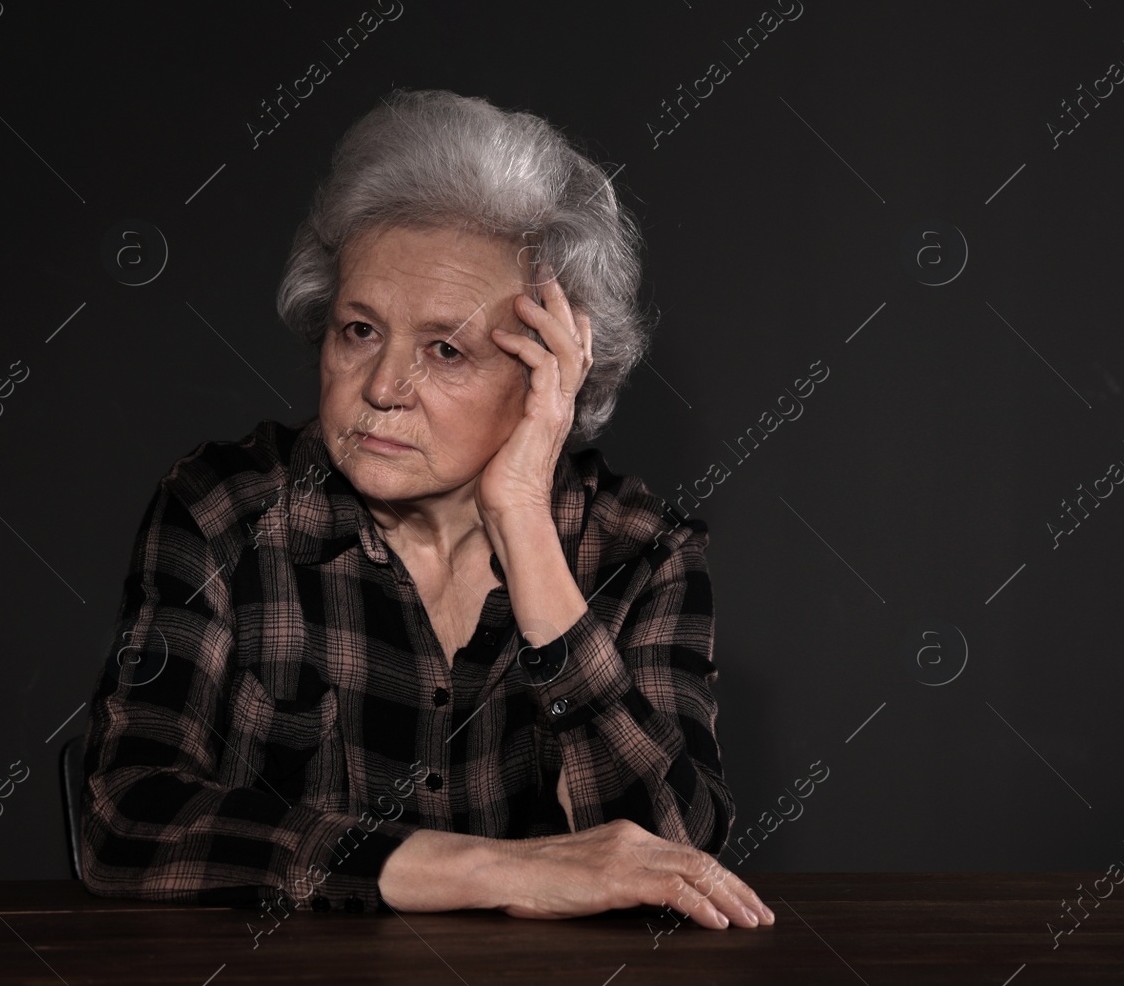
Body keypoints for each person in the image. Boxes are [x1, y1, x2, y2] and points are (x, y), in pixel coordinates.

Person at [80, 88, 772, 931]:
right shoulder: (223, 511)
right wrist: (493, 870)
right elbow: (125, 817)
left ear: (550, 370)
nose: (380, 388)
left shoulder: (642, 551)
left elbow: (673, 859)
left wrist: (523, 519)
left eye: (446, 350)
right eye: (359, 331)